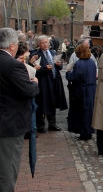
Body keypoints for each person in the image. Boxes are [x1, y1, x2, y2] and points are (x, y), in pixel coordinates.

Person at [0, 28, 39, 191]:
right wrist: (34, 83)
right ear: (11, 46)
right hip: (10, 124)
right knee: (7, 171)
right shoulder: (13, 65)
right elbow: (28, 91)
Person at [31, 35, 68, 133]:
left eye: (46, 42)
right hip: (44, 82)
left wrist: (59, 65)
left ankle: (52, 124)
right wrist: (44, 68)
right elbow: (35, 71)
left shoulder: (53, 52)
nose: (45, 44)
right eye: (43, 43)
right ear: (39, 44)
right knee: (42, 103)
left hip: (55, 81)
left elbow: (60, 67)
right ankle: (41, 125)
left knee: (53, 102)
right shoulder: (36, 55)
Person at [66, 44, 97, 141]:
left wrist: (68, 72)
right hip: (91, 89)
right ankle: (89, 131)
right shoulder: (92, 62)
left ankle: (84, 132)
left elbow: (74, 77)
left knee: (82, 111)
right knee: (89, 111)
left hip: (82, 90)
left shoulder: (79, 64)